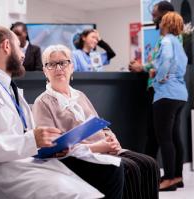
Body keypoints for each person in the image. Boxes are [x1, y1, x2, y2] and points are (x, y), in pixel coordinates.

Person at [0, 26, 121, 199]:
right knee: (82, 194)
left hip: (29, 164)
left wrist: (49, 145)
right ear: (7, 46)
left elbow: (20, 137)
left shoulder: (10, 91)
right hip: (5, 174)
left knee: (104, 179)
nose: (23, 55)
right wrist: (33, 140)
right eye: (19, 48)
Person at [32, 44, 160, 199]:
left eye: (63, 63)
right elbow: (52, 146)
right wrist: (96, 147)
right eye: (52, 64)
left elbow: (99, 124)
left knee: (149, 164)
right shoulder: (43, 102)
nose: (58, 68)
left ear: (71, 67)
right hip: (77, 157)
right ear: (45, 71)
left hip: (103, 148)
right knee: (130, 168)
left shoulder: (79, 95)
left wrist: (110, 137)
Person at [129, 1, 175, 160]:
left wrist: (143, 68)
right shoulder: (166, 39)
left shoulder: (169, 39)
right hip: (161, 91)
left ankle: (166, 177)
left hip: (161, 91)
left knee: (160, 137)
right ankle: (165, 176)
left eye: (155, 15)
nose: (153, 19)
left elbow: (164, 64)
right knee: (158, 136)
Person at [152, 12, 188, 191]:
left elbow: (165, 60)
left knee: (165, 138)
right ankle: (178, 176)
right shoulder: (179, 44)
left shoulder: (166, 40)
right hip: (180, 95)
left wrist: (158, 78)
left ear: (165, 23)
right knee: (175, 137)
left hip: (166, 94)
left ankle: (168, 179)